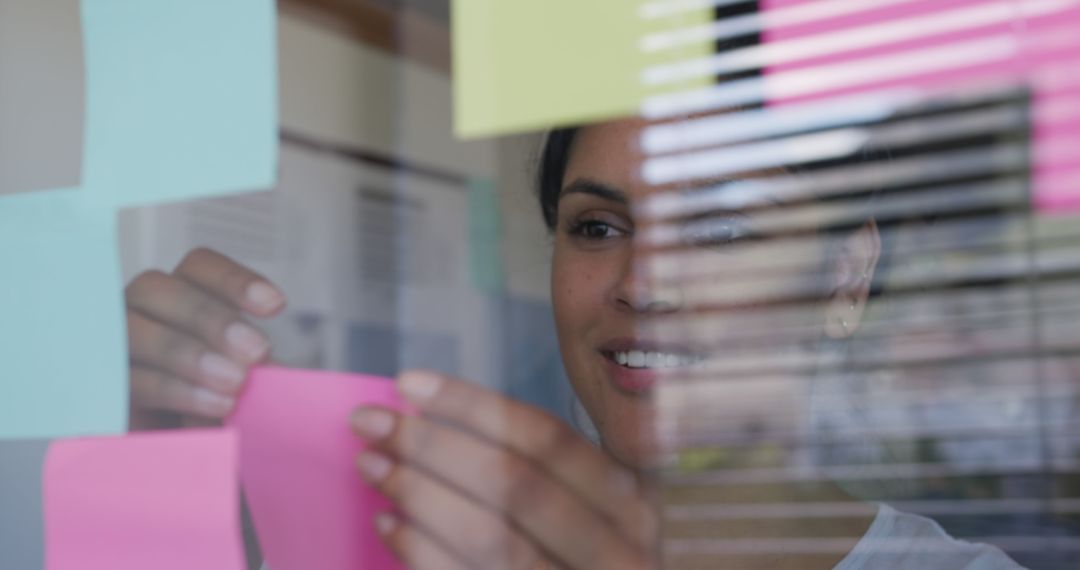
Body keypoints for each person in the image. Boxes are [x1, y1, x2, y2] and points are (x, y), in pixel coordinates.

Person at [123, 117, 1022, 569]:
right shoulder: (435, 544)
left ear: (846, 279)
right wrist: (159, 461)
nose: (643, 283)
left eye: (721, 234)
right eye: (597, 228)